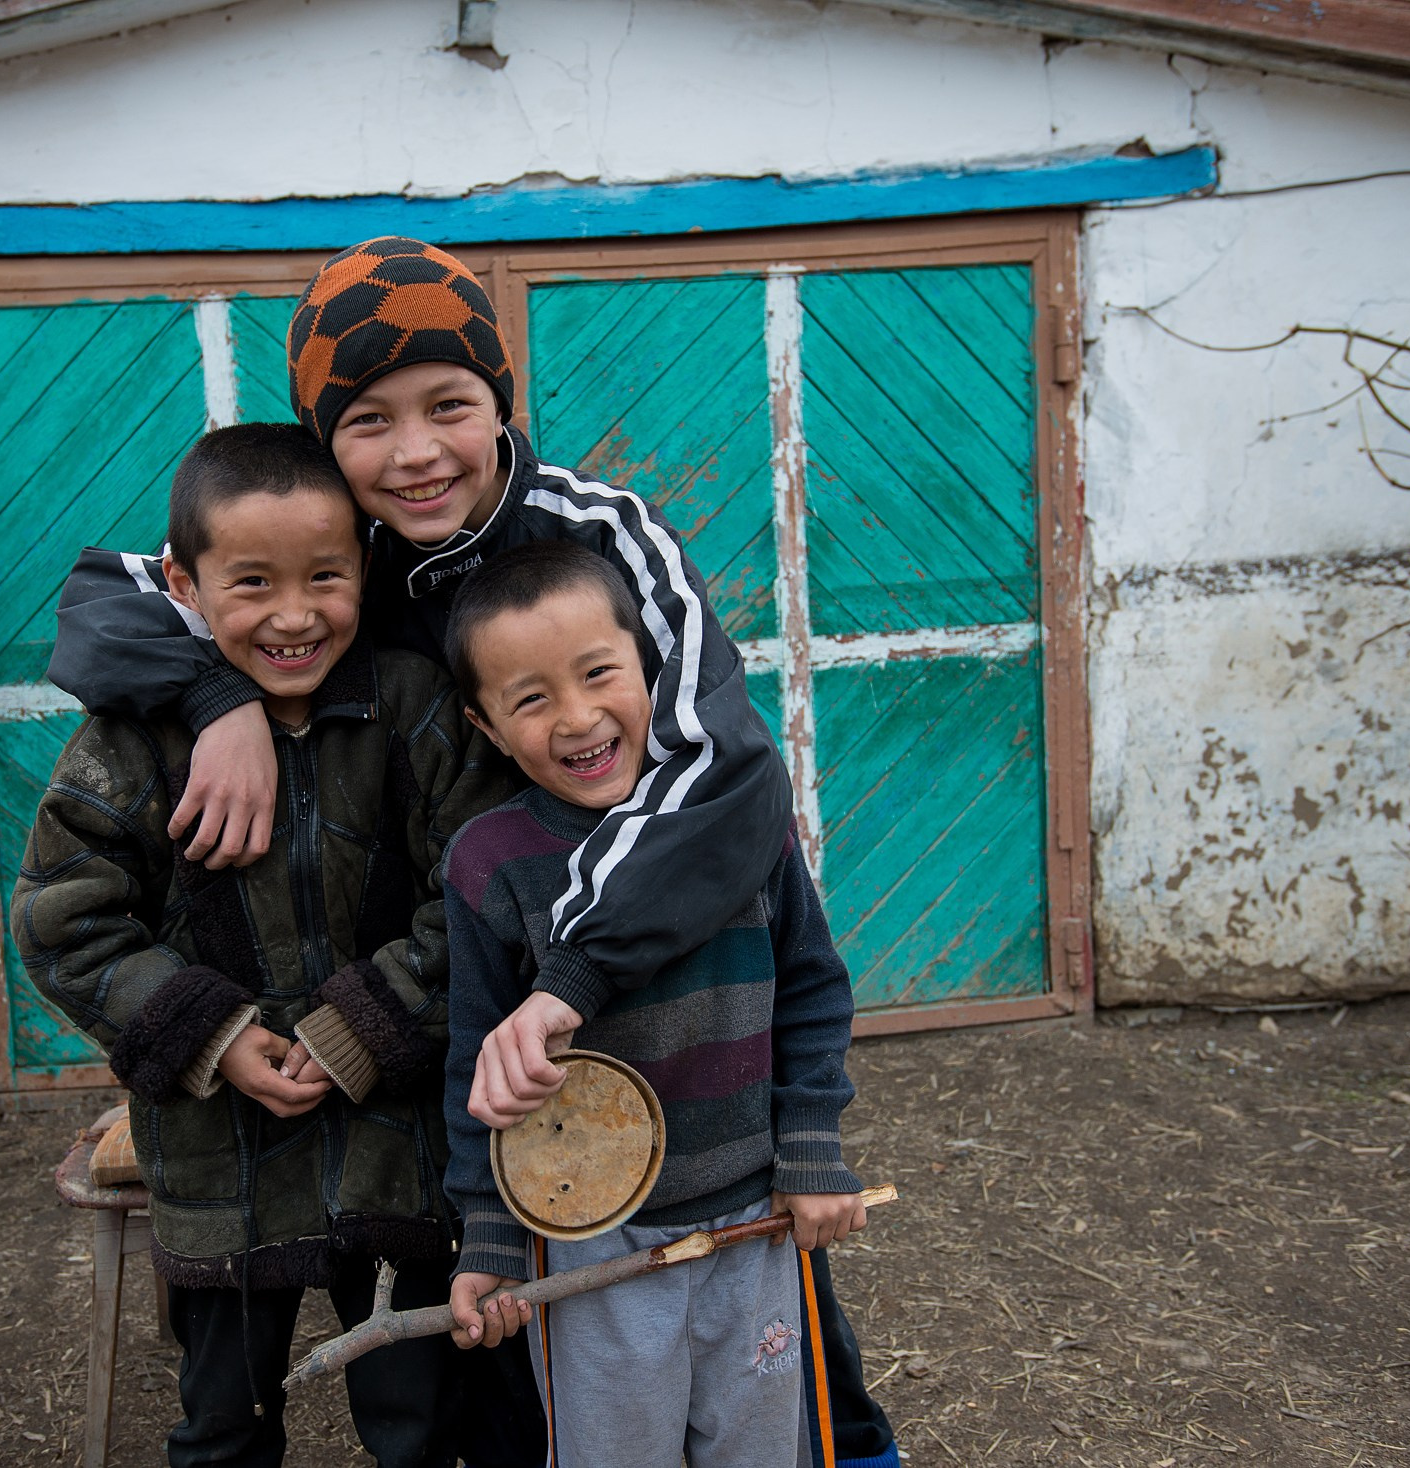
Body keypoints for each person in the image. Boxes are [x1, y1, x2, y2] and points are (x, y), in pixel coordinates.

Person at [46, 235, 903, 1468]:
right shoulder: (346, 550)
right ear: (322, 439)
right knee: (522, 1323)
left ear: (503, 401)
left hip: (669, 971)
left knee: (766, 1301)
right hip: (482, 987)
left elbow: (723, 769)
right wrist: (212, 698)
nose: (415, 452)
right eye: (368, 421)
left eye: (450, 405)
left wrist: (574, 975)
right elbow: (106, 592)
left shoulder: (604, 536)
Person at [11, 423, 515, 1468]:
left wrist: (355, 1031)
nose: (295, 614)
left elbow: (480, 893)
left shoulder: (415, 711)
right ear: (181, 584)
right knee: (222, 1429)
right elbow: (66, 919)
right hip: (217, 1163)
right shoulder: (129, 742)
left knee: (421, 1421)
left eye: (326, 575)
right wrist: (217, 1035)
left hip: (394, 1147)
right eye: (251, 583)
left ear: (366, 566)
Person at [437, 540, 868, 1468]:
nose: (579, 717)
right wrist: (492, 1239)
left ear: (656, 670)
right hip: (590, 1243)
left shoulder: (741, 818)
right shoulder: (489, 865)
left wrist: (812, 1151)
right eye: (532, 698)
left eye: (600, 674)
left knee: (758, 1446)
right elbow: (478, 1060)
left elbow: (813, 990)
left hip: (753, 1217)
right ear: (486, 727)